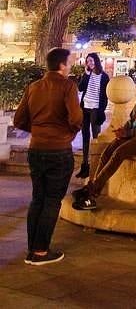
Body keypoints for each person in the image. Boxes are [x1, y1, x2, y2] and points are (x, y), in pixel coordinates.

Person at [13, 47, 83, 266]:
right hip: (58, 151)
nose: (70, 66)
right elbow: (76, 118)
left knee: (38, 199)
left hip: (37, 149)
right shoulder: (67, 86)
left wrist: (39, 131)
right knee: (52, 200)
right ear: (62, 65)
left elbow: (19, 120)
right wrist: (67, 134)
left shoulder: (33, 87)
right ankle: (41, 251)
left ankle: (33, 249)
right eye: (69, 62)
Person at [72, 63, 136, 210]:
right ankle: (91, 187)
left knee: (119, 153)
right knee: (108, 150)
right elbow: (134, 115)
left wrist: (130, 133)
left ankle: (92, 193)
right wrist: (124, 130)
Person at [75, 52, 109, 179]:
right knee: (85, 136)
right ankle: (85, 166)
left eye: (91, 60)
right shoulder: (87, 75)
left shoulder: (104, 76)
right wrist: (86, 74)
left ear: (96, 61)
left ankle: (95, 166)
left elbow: (105, 97)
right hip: (85, 108)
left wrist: (101, 110)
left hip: (96, 109)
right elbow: (80, 88)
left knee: (96, 137)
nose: (90, 63)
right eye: (88, 61)